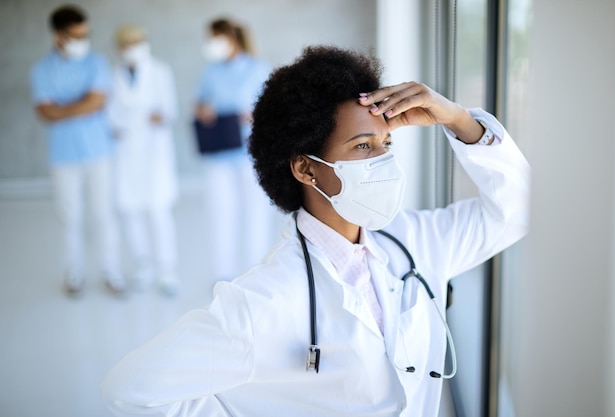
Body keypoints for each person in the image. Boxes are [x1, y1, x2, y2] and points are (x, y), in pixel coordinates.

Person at [101, 46, 530, 416]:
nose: (382, 160)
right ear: (307, 168)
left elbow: (517, 210)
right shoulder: (261, 301)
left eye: (386, 144)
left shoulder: (418, 242)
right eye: (363, 146)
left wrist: (457, 119)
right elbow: (130, 392)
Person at [30, 4, 125, 296]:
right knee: (69, 217)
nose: (82, 41)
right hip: (64, 157)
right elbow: (45, 112)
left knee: (103, 215)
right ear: (58, 36)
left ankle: (112, 272)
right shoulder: (41, 70)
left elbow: (97, 101)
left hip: (99, 152)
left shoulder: (96, 62)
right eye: (75, 35)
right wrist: (82, 104)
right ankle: (74, 274)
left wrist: (64, 107)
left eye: (86, 34)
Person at [195, 17, 276, 280]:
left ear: (230, 38)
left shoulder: (257, 68)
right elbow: (199, 102)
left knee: (255, 214)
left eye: (214, 38)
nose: (211, 44)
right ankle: (223, 275)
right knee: (220, 214)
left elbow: (272, 109)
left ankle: (255, 274)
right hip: (219, 152)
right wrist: (203, 109)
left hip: (249, 153)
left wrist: (252, 115)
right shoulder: (211, 71)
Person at [108, 25, 180, 296]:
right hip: (126, 153)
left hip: (154, 153)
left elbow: (168, 112)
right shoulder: (112, 75)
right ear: (119, 48)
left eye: (136, 42)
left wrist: (143, 118)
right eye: (126, 44)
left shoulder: (160, 71)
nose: (132, 48)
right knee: (131, 211)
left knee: (158, 211)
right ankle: (144, 267)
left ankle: (167, 271)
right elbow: (110, 117)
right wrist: (136, 118)